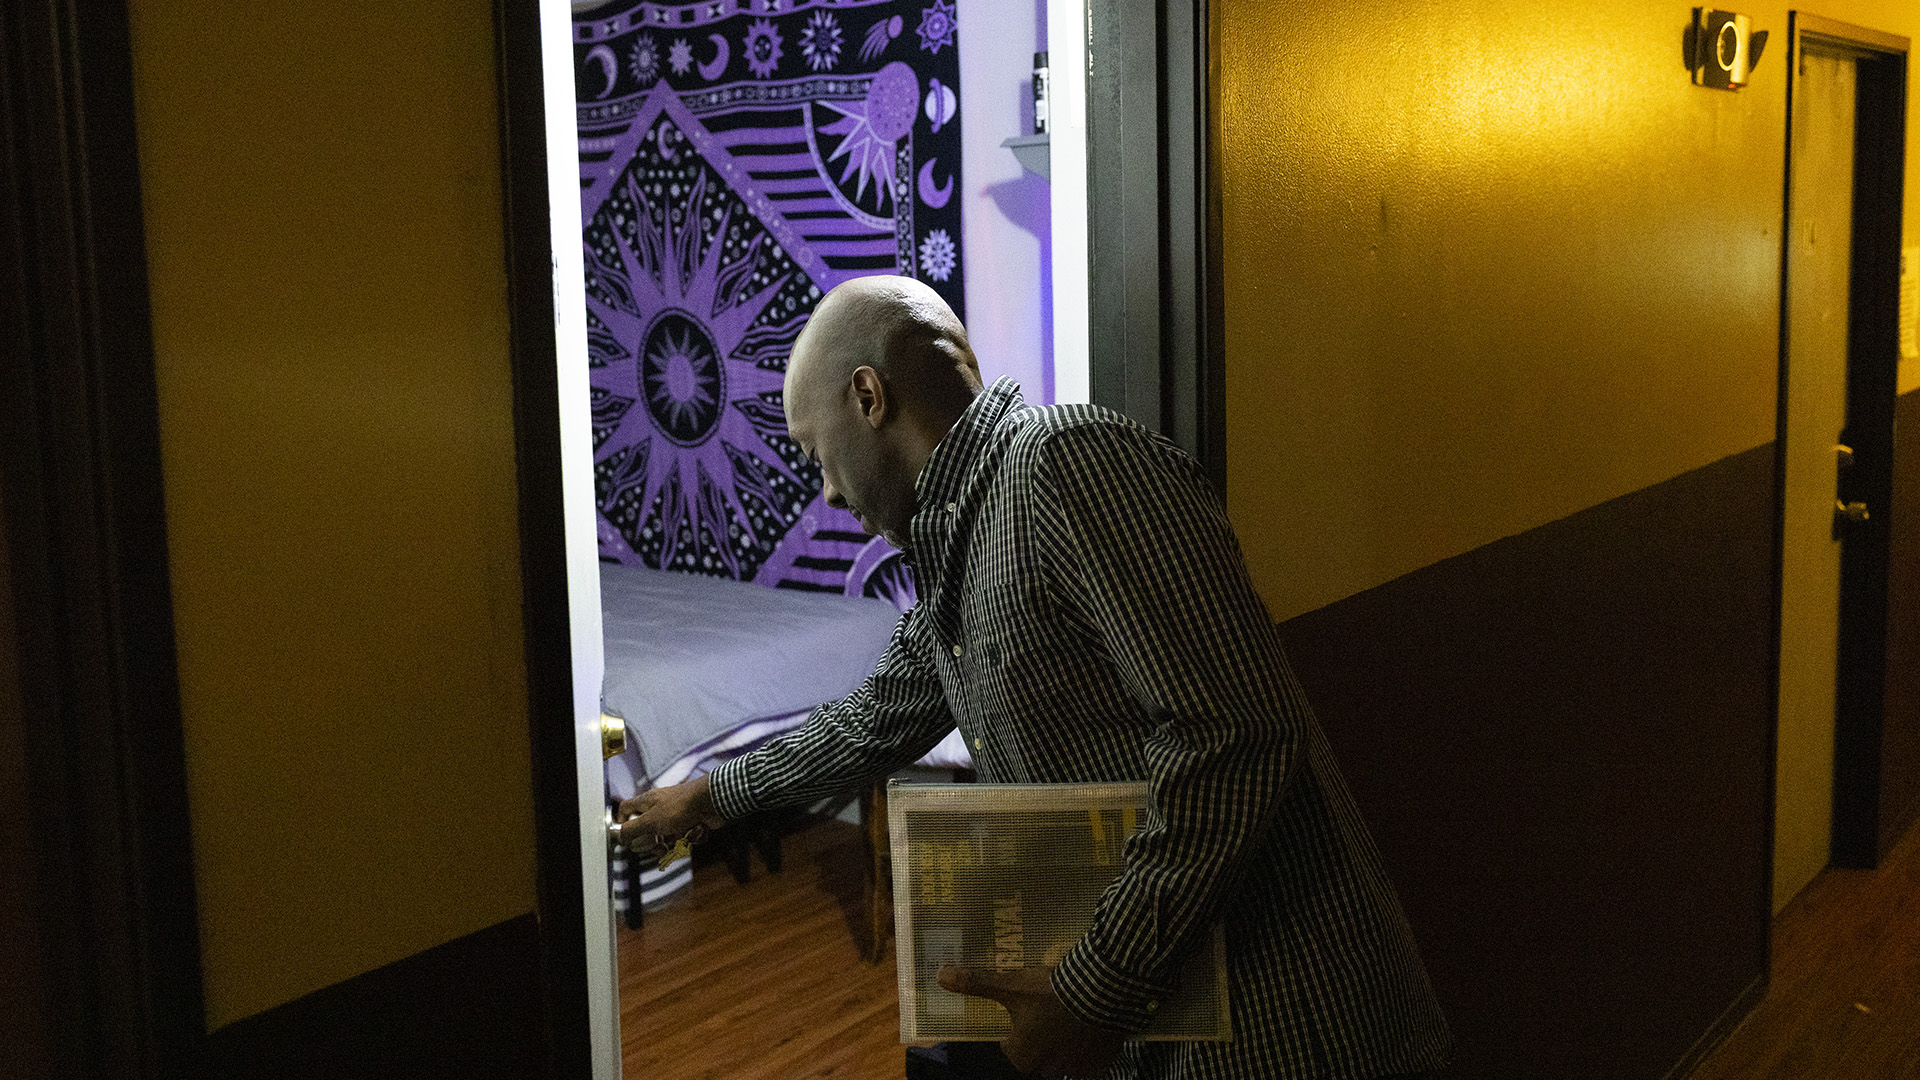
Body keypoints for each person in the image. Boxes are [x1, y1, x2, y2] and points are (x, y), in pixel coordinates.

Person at [619, 275, 1450, 1080]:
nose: (828, 490)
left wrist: (1096, 990)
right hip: (1183, 1029)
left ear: (870, 398)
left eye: (815, 452)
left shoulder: (1066, 465)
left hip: (1294, 1032)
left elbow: (1234, 732)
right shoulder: (958, 546)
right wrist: (711, 795)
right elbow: (873, 719)